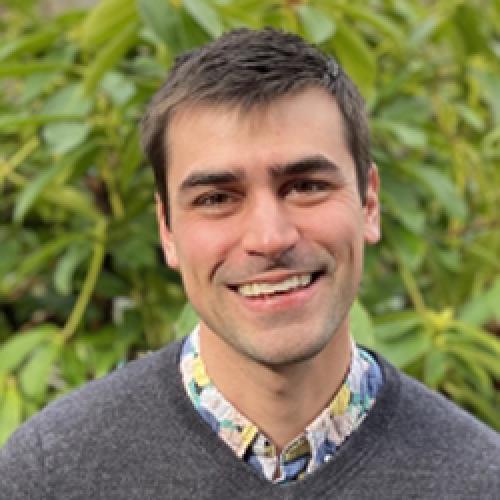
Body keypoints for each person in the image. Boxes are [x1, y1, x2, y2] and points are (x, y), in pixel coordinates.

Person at [1, 28, 499, 500]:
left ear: (369, 203)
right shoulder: (49, 477)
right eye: (217, 197)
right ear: (167, 230)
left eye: (306, 186)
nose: (269, 238)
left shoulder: (481, 480)